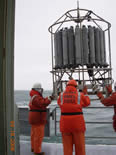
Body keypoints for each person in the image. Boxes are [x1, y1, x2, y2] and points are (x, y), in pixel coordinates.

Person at [57, 79, 90, 155]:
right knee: (80, 147)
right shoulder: (80, 95)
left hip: (65, 124)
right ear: (76, 86)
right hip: (77, 124)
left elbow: (60, 104)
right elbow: (87, 103)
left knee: (67, 147)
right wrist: (85, 94)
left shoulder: (61, 95)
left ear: (67, 86)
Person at [28, 83, 54, 155]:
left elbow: (41, 101)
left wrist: (48, 98)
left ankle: (33, 148)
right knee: (38, 136)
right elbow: (42, 103)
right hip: (38, 119)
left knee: (34, 135)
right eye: (41, 89)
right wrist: (49, 99)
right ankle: (37, 152)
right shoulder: (36, 97)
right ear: (38, 89)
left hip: (34, 118)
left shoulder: (34, 96)